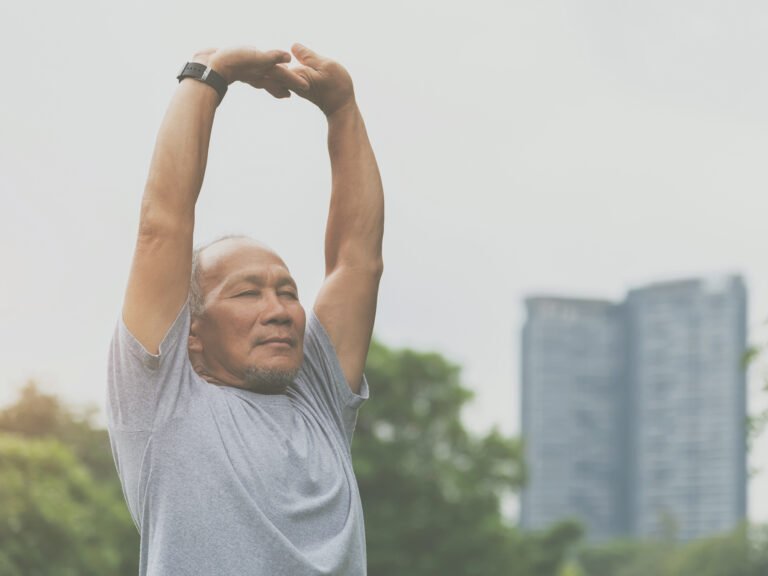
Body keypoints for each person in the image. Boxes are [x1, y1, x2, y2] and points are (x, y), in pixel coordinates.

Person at [105, 43, 383, 576]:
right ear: (192, 332)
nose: (279, 309)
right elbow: (163, 223)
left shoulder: (318, 400)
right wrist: (209, 74)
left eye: (288, 291)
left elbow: (357, 261)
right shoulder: (162, 402)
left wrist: (342, 108)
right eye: (247, 292)